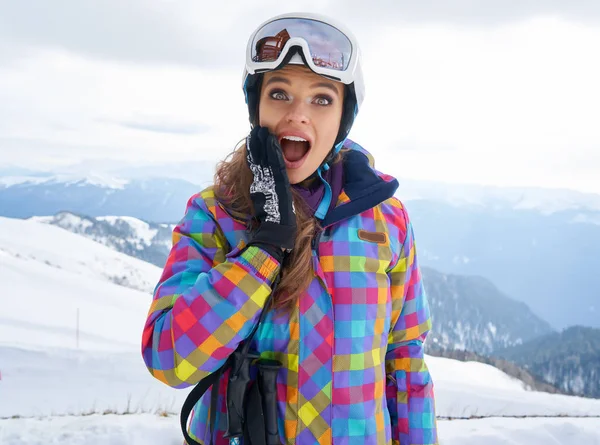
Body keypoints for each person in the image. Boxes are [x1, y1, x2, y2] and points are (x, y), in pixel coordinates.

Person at [142, 12, 438, 445]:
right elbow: (169, 358)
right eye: (279, 93)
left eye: (322, 99)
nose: (298, 115)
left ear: (343, 117)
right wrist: (263, 251)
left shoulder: (385, 220)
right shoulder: (215, 214)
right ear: (256, 106)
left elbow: (406, 360)